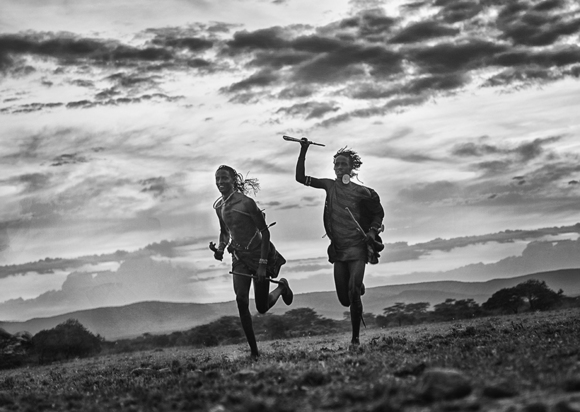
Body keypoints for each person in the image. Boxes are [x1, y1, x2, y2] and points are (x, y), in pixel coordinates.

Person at [295, 140, 384, 347]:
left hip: (358, 247)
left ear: (351, 168)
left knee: (352, 292)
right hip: (339, 249)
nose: (339, 168)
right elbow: (300, 178)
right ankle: (358, 284)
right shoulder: (329, 186)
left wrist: (372, 231)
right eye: (336, 164)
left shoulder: (364, 192)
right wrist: (303, 149)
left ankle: (355, 339)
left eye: (343, 164)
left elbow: (378, 214)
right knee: (345, 299)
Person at [210, 165, 293, 359]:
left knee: (262, 307)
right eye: (217, 179)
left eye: (224, 178)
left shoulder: (246, 203)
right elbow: (225, 232)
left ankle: (281, 287)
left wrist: (263, 263)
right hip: (238, 257)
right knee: (241, 300)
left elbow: (265, 232)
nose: (220, 182)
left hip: (258, 254)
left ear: (234, 180)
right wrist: (220, 249)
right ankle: (254, 353)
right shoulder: (219, 207)